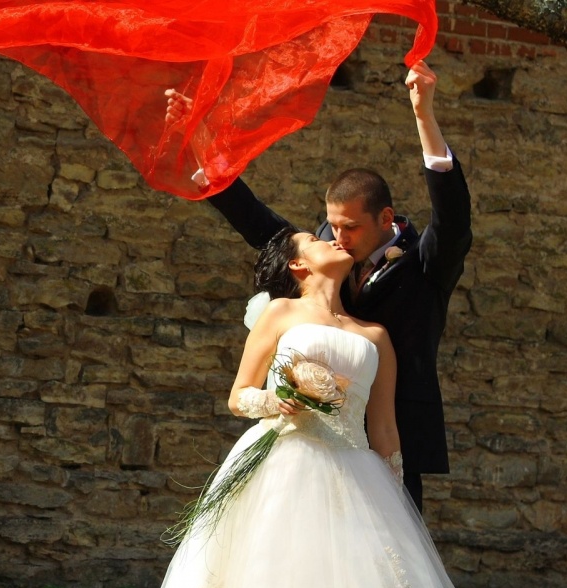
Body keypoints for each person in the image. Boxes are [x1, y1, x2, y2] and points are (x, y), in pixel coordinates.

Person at [101, 227, 548, 588]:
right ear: (297, 266)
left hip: (353, 474)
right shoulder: (281, 314)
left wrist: (398, 513)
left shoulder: (376, 336)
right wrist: (273, 401)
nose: (329, 239)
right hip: (281, 465)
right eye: (313, 239)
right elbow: (239, 392)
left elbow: (383, 429)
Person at [169, 61, 470, 510]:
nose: (337, 238)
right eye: (330, 227)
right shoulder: (323, 252)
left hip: (394, 432)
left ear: (385, 220)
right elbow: (256, 221)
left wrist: (425, 116)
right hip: (312, 441)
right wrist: (200, 142)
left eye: (348, 228)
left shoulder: (427, 264)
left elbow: (453, 220)